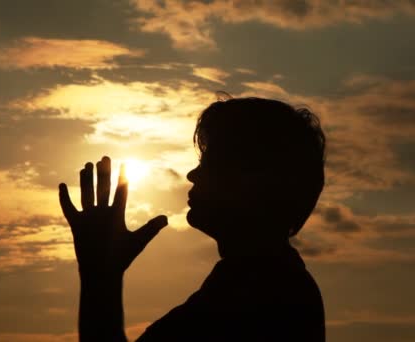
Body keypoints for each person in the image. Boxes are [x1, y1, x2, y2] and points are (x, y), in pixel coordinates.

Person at [58, 97, 327, 341]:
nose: (192, 175)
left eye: (210, 163)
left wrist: (100, 274)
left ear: (254, 180)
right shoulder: (258, 284)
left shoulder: (261, 296)